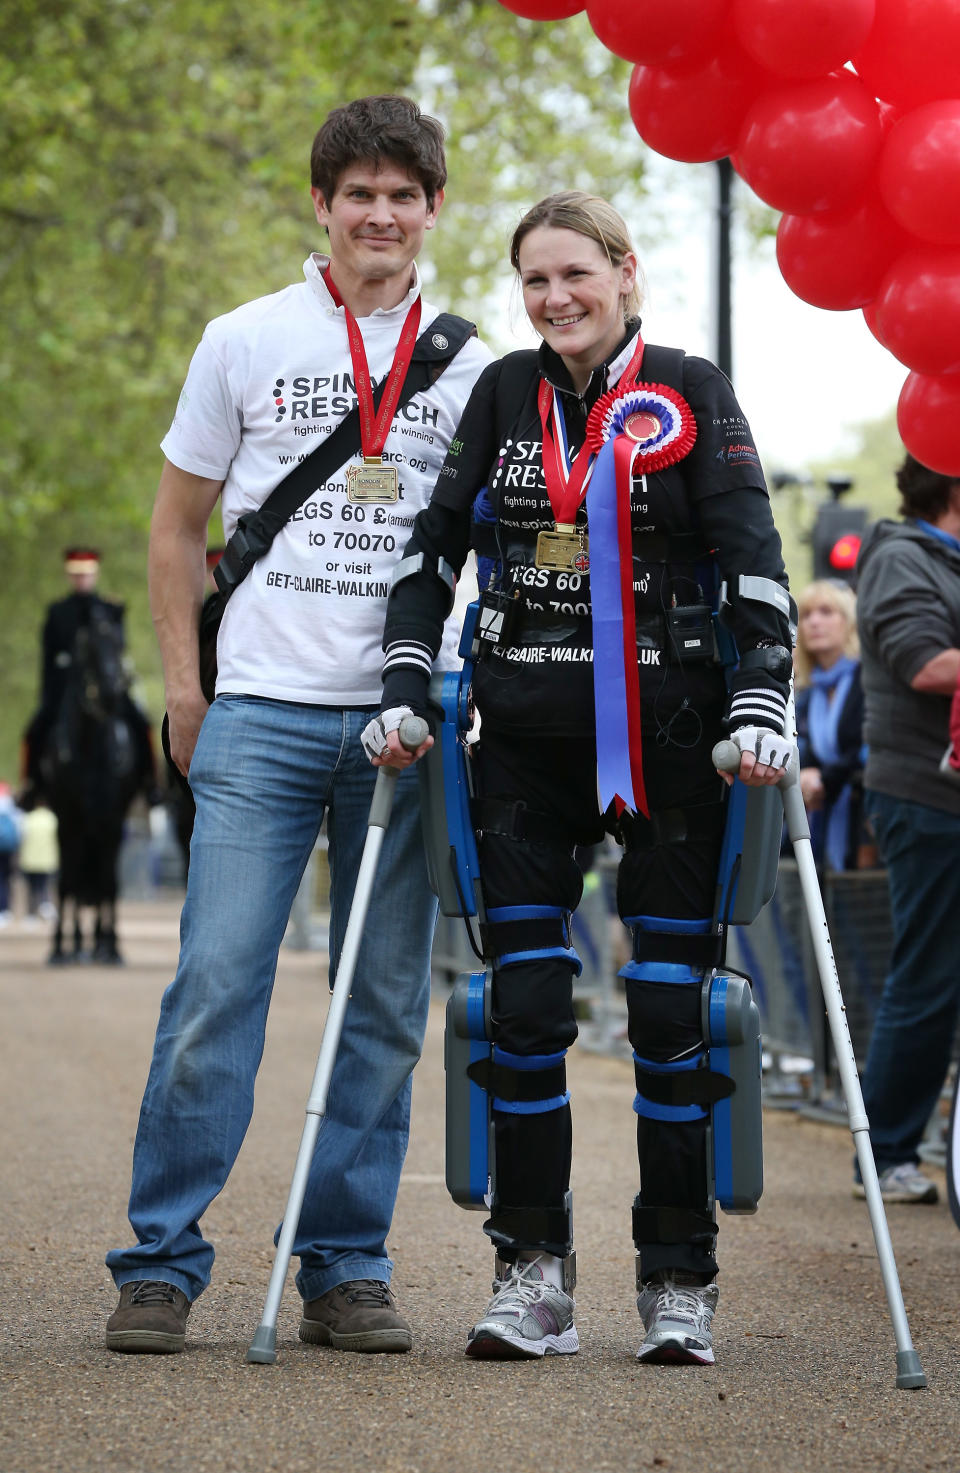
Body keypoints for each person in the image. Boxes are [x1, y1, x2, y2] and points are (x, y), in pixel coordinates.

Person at [366, 191, 792, 1365]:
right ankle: (533, 1275)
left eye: (575, 275)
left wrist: (762, 692)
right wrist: (408, 679)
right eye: (535, 281)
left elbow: (756, 557)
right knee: (525, 1010)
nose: (556, 299)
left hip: (677, 745)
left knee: (669, 1010)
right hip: (524, 744)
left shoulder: (693, 389)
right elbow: (428, 553)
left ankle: (677, 1281)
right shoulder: (504, 392)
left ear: (625, 271)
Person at [104, 95, 493, 1355]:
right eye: (359, 192)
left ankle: (343, 1264)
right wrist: (182, 688)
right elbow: (174, 528)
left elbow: (508, 541)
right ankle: (160, 1259)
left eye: (405, 194)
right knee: (216, 988)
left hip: (408, 722)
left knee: (381, 1004)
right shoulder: (243, 337)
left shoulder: (480, 362)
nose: (381, 214)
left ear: (434, 211)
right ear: (321, 205)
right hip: (263, 712)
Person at [852, 452, 960, 1206]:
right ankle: (885, 1150)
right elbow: (926, 665)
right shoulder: (901, 557)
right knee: (927, 978)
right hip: (928, 798)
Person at [792, 579, 869, 871]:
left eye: (826, 611)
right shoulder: (810, 690)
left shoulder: (867, 679)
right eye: (808, 614)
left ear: (848, 620)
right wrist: (809, 771)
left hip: (862, 816)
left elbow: (865, 747)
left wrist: (824, 778)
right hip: (821, 809)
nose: (814, 622)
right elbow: (807, 743)